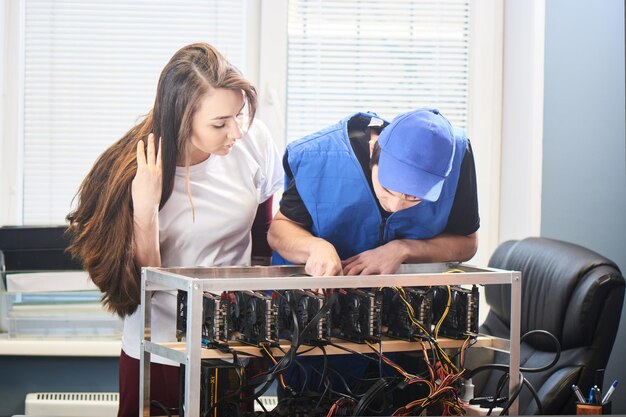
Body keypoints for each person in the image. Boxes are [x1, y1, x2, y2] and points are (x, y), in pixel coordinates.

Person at [66, 43, 282, 416]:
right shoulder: (131, 172)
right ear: (182, 117)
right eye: (219, 123)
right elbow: (136, 288)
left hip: (233, 341)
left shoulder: (253, 140)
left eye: (238, 115)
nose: (234, 131)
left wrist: (262, 323)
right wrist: (145, 212)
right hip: (159, 348)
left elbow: (263, 237)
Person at [267, 108, 479, 394]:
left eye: (413, 199)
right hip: (319, 338)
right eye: (388, 190)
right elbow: (279, 230)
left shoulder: (457, 156)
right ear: (373, 154)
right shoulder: (318, 157)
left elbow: (467, 243)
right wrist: (315, 247)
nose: (395, 206)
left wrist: (403, 249)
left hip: (408, 336)